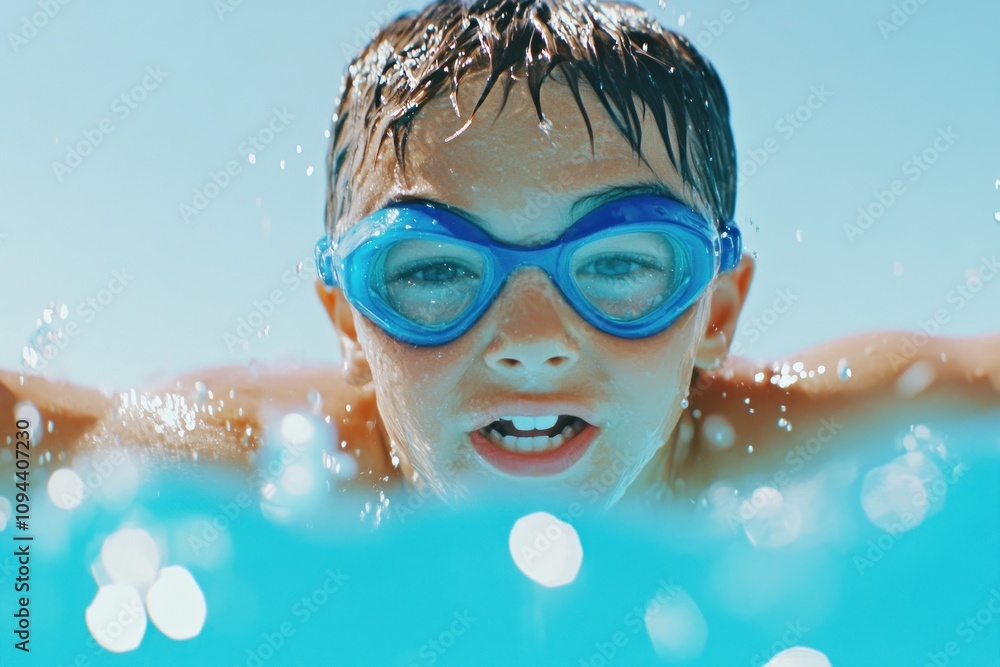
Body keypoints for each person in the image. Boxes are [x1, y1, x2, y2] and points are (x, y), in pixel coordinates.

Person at [2, 0, 998, 508]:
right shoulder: (270, 466)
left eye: (617, 266)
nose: (529, 341)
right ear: (349, 319)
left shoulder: (805, 439)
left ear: (719, 311)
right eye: (433, 271)